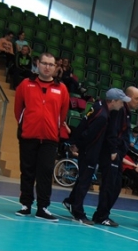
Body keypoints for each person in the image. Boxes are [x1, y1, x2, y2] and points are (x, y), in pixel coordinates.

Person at [13, 52, 69, 220]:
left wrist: (54, 127)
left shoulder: (62, 89)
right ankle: (25, 205)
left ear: (55, 67)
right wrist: (27, 125)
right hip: (29, 136)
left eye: (51, 64)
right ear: (38, 64)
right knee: (27, 171)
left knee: (45, 173)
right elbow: (18, 109)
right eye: (44, 63)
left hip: (50, 139)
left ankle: (43, 208)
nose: (47, 67)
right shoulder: (25, 84)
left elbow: (62, 113)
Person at [63, 89, 124, 225]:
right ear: (113, 101)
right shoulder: (102, 116)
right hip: (89, 152)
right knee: (84, 182)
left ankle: (71, 201)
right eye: (120, 101)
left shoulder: (98, 106)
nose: (122, 105)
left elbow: (83, 124)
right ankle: (78, 212)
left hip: (88, 150)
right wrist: (77, 145)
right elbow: (89, 134)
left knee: (82, 179)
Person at [92, 86, 138, 227]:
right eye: (137, 98)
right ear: (128, 97)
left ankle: (103, 213)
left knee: (116, 186)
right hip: (111, 153)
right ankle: (101, 216)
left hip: (119, 154)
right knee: (109, 185)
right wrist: (113, 150)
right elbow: (112, 131)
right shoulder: (119, 110)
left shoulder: (127, 112)